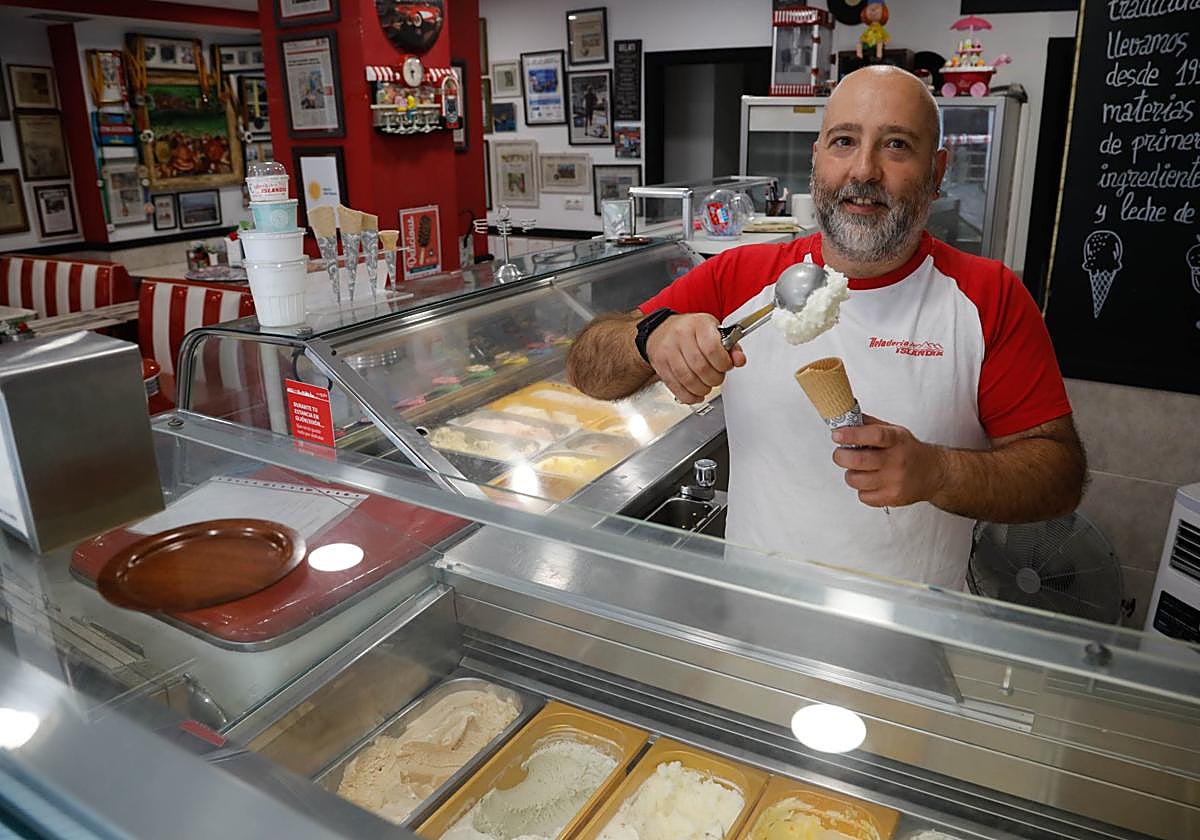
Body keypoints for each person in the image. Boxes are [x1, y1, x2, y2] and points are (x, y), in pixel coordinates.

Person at [565, 66, 1086, 589]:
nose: (864, 170)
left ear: (937, 170)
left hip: (908, 643)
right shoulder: (741, 276)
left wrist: (938, 472)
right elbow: (587, 368)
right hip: (755, 629)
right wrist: (649, 337)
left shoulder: (986, 296)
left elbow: (1059, 476)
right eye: (844, 141)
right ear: (816, 159)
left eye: (897, 145)